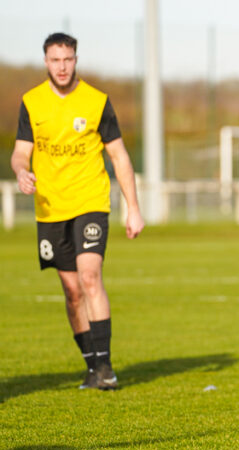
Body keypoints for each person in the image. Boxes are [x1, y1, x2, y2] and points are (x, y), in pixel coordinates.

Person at [11, 33, 145, 390]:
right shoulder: (32, 102)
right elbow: (20, 152)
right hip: (51, 209)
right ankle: (90, 365)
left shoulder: (97, 102)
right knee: (72, 292)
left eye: (68, 59)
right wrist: (22, 172)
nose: (62, 66)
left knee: (90, 277)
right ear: (45, 62)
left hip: (90, 202)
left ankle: (106, 367)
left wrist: (134, 208)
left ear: (76, 59)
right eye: (55, 60)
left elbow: (119, 156)